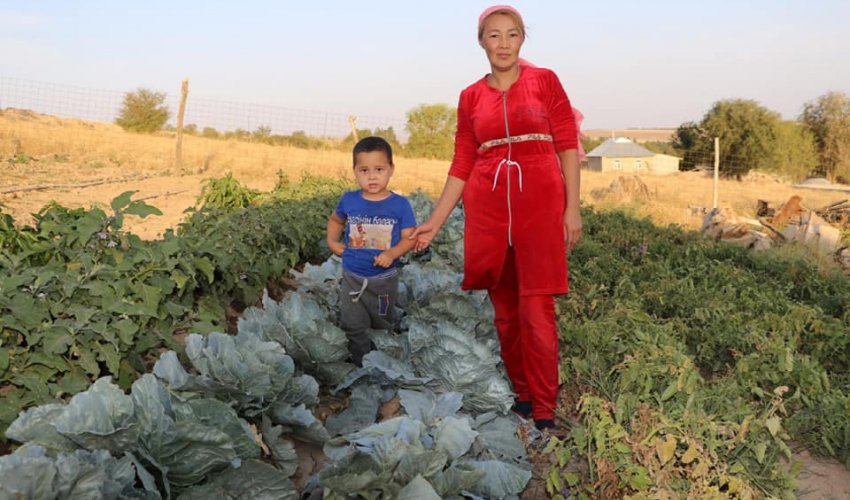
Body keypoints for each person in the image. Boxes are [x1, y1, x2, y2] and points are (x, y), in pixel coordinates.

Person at [410, 5, 582, 432]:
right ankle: (523, 395)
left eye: (512, 35)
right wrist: (434, 219)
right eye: (494, 35)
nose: (503, 43)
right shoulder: (470, 97)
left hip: (539, 200)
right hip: (487, 206)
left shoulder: (545, 82)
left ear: (522, 39)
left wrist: (572, 207)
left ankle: (545, 407)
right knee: (504, 309)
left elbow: (566, 144)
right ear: (481, 41)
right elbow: (462, 161)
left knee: (536, 307)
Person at [327, 136, 417, 366]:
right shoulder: (349, 200)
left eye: (379, 169)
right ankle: (361, 364)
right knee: (353, 324)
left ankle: (381, 363)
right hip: (353, 276)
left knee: (381, 323)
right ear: (355, 171)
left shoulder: (400, 205)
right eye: (364, 170)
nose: (372, 176)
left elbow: (409, 238)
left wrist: (391, 254)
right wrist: (332, 242)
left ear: (391, 169)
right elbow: (336, 220)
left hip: (383, 280)